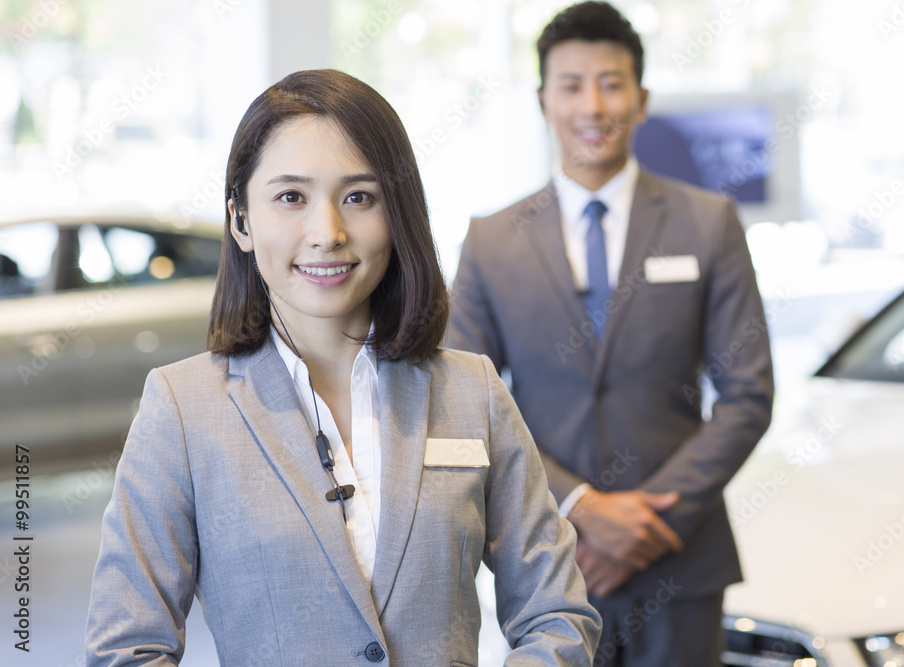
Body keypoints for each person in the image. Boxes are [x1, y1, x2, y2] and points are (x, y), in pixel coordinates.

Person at [86, 69, 601, 666]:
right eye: (290, 197)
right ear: (241, 220)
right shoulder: (181, 407)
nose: (327, 233)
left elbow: (556, 614)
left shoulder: (472, 392)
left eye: (359, 197)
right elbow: (127, 647)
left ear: (397, 213)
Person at [448, 3, 774, 665]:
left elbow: (747, 393)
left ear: (642, 98)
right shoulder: (492, 239)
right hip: (550, 561)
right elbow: (464, 403)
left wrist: (648, 523)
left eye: (612, 82)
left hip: (680, 560)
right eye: (571, 85)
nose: (592, 105)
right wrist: (582, 507)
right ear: (543, 100)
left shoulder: (707, 222)